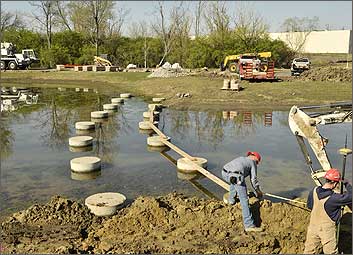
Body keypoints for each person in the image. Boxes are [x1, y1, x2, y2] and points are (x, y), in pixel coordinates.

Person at [304, 168, 352, 254]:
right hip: (326, 230)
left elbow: (310, 206)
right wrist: (347, 184)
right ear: (335, 183)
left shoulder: (314, 190)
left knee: (309, 251)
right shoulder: (334, 198)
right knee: (331, 252)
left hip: (313, 227)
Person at [222, 151, 263, 232]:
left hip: (224, 172)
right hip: (236, 177)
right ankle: (249, 225)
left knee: (234, 181)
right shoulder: (253, 163)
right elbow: (253, 180)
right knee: (244, 200)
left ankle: (231, 200)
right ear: (256, 159)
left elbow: (233, 173)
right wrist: (258, 191)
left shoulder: (241, 158)